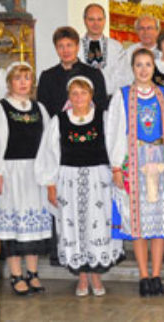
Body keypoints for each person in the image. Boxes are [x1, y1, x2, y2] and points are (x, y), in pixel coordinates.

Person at [35, 76, 124, 297]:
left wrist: (116, 172)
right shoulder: (59, 120)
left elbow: (116, 145)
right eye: (74, 93)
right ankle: (82, 277)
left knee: (99, 226)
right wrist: (50, 184)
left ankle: (96, 275)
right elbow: (49, 154)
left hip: (98, 180)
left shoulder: (103, 118)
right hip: (69, 180)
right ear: (69, 96)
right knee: (73, 226)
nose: (79, 98)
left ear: (91, 95)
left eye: (83, 93)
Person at [107, 48, 164, 297]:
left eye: (148, 64)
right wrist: (117, 165)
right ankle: (143, 275)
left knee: (158, 222)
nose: (144, 69)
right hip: (133, 160)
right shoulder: (123, 96)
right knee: (137, 223)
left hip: (160, 160)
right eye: (139, 65)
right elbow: (115, 131)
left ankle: (156, 274)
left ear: (154, 67)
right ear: (133, 68)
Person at [0, 62, 52, 295]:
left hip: (34, 172)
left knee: (32, 223)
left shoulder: (39, 108)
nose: (23, 83)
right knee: (13, 224)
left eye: (27, 78)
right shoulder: (0, 108)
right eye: (18, 78)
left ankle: (32, 273)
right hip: (11, 172)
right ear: (9, 82)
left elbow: (47, 143)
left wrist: (47, 171)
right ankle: (15, 274)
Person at [37, 26, 108, 117]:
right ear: (56, 48)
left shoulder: (94, 74)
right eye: (60, 46)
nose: (65, 50)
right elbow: (43, 112)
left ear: (77, 47)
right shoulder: (47, 77)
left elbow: (102, 107)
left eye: (69, 45)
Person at [79, 3, 125, 95]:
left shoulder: (116, 47)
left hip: (110, 100)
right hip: (82, 101)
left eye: (99, 19)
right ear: (84, 20)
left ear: (104, 21)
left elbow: (122, 76)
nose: (96, 24)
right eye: (91, 19)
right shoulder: (76, 46)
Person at [120, 15, 161, 88]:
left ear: (157, 31)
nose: (145, 32)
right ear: (137, 31)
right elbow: (123, 76)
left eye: (150, 28)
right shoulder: (130, 51)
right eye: (141, 28)